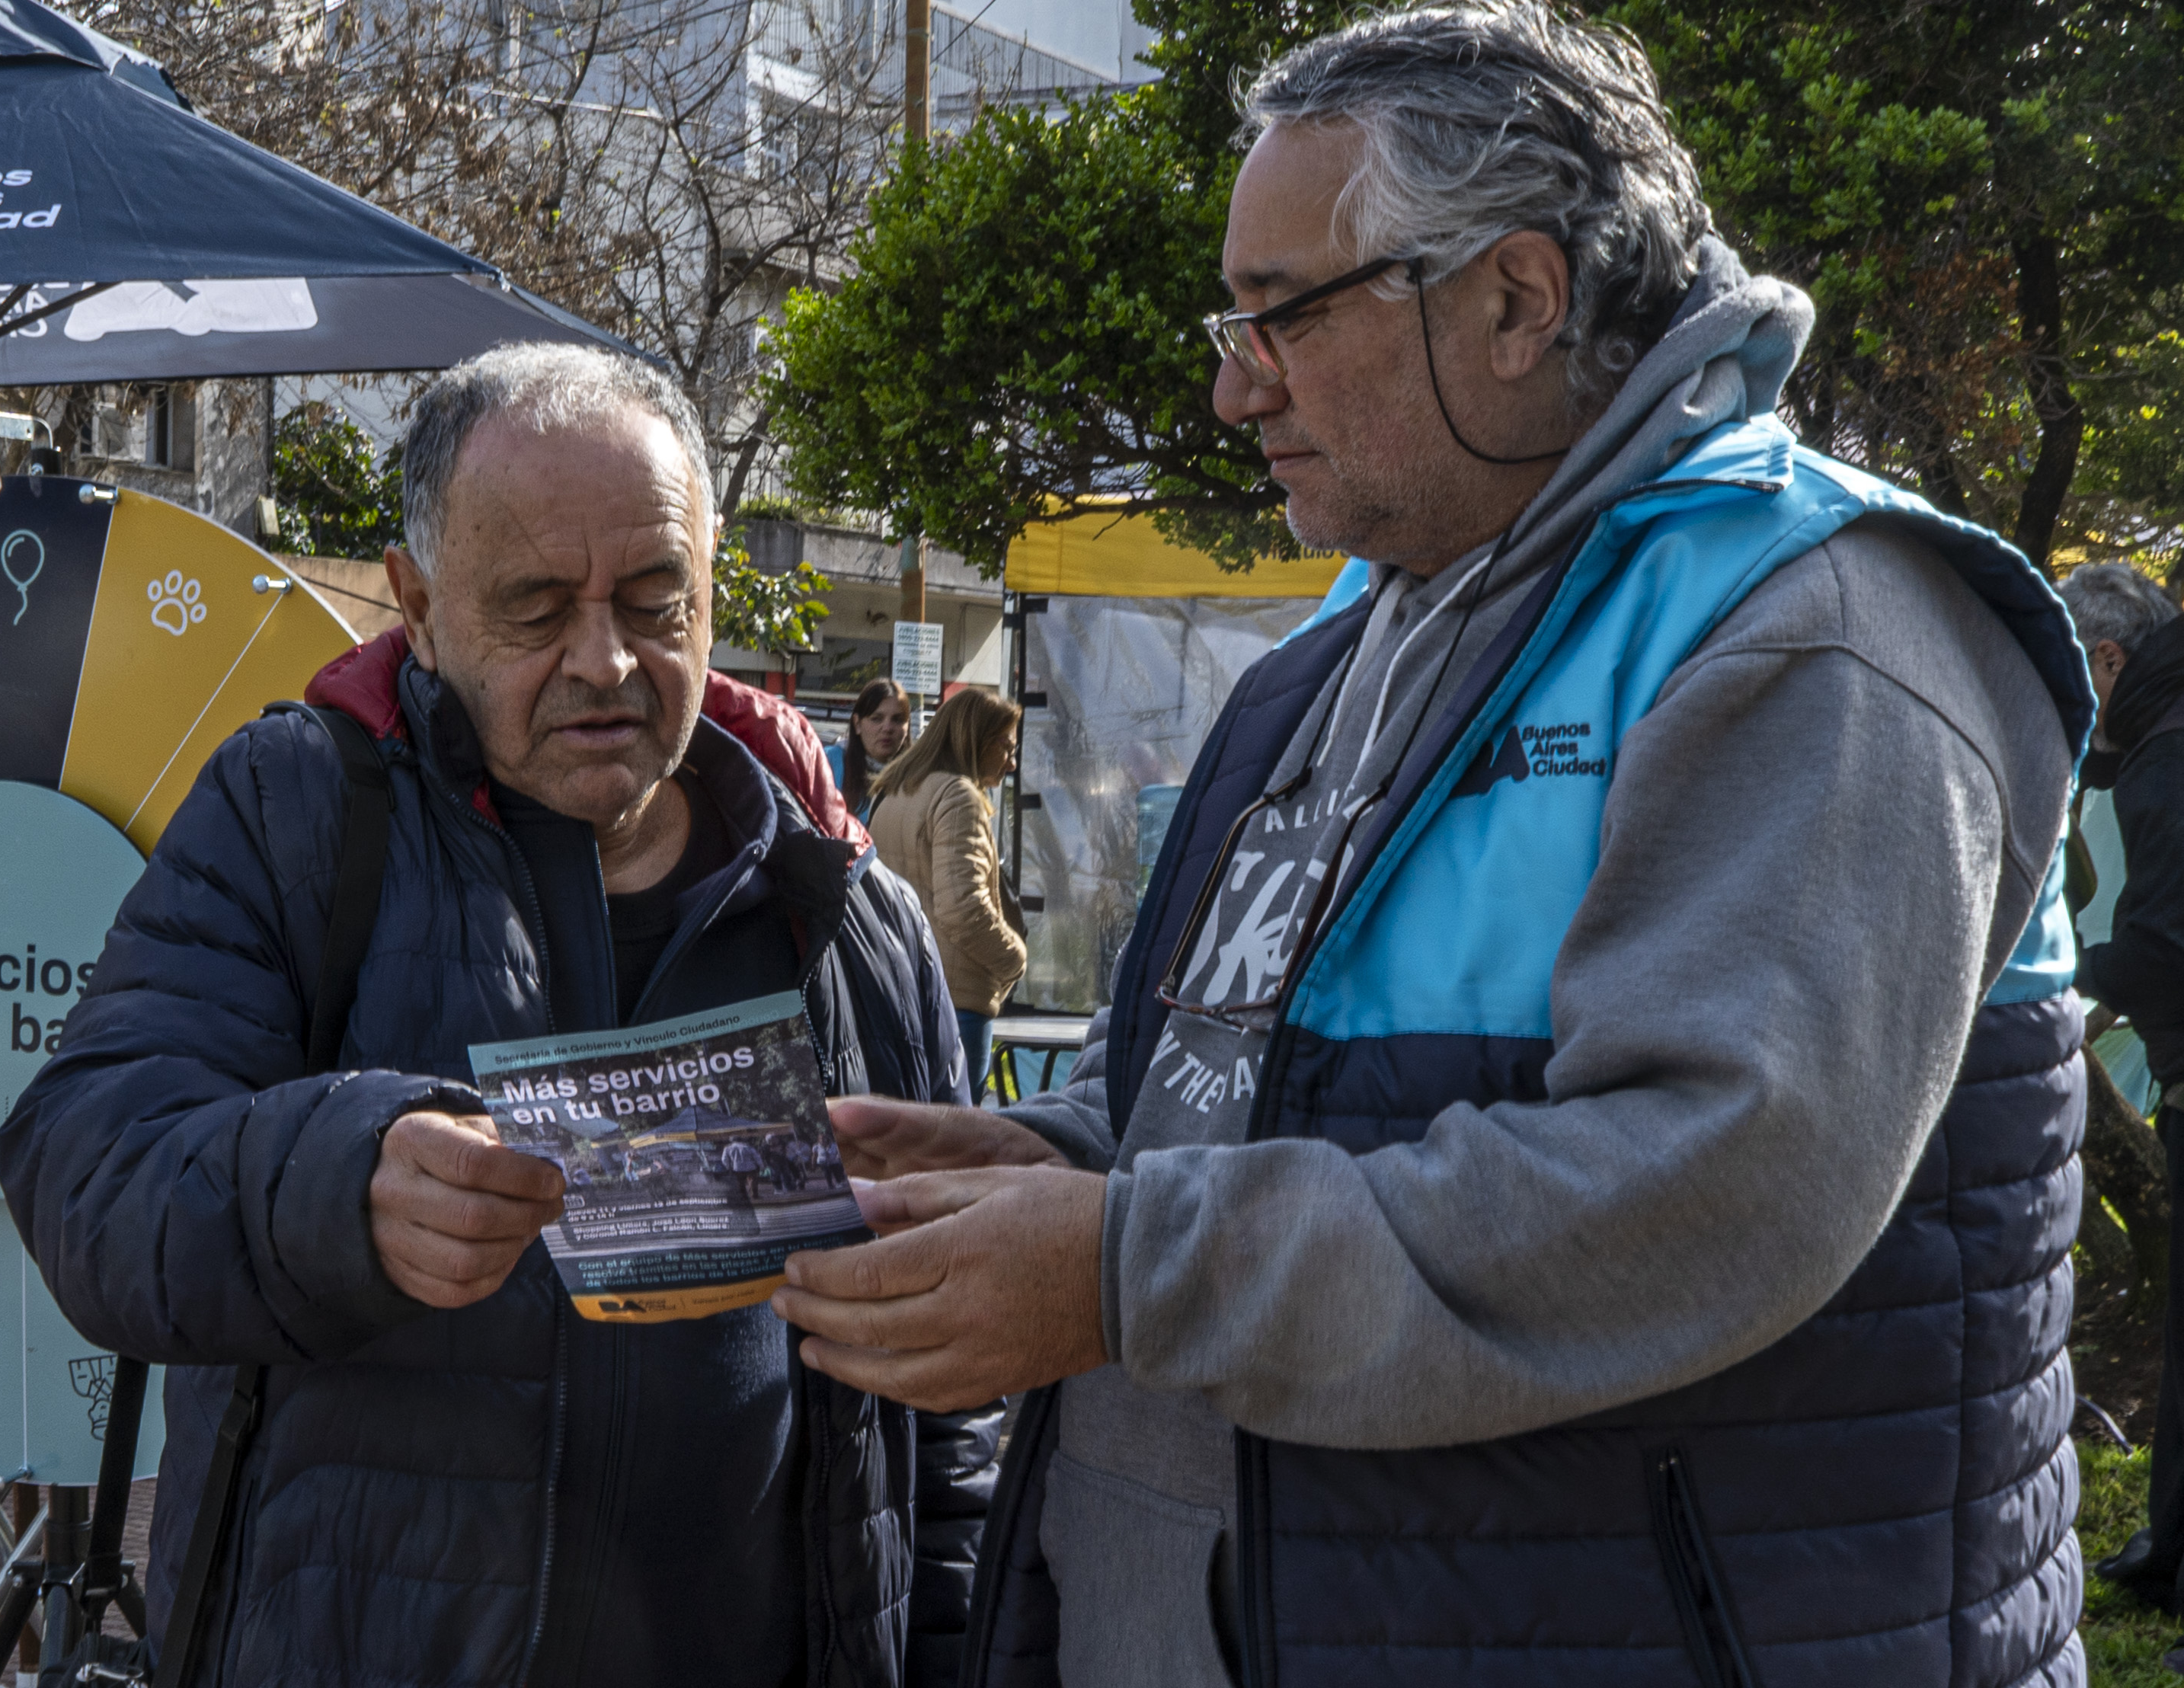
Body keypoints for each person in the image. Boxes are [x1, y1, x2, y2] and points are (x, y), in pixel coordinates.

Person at [769, 5, 2092, 1685]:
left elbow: (1704, 1188)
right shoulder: (1350, 638)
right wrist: (1075, 1167)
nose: (1231, 380)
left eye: (1283, 317)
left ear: (1518, 300)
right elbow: (1257, 1096)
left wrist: (1123, 1260)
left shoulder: (1813, 630)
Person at [0, 343, 990, 1688]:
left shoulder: (835, 897)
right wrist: (338, 1183)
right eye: (534, 607)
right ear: (414, 600)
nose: (607, 660)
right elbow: (84, 1166)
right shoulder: (295, 815)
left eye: (657, 602)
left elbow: (950, 1418)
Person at [2068, 563, 2184, 1603]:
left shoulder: (2169, 752)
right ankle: (2167, 1554)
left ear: (2108, 661)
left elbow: (2166, 946)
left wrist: (2068, 978)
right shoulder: (2156, 739)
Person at [868, 689, 1028, 1076]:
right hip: (956, 1002)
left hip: (900, 990)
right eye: (1006, 747)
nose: (1012, 762)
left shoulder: (897, 792)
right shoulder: (959, 796)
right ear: (976, 740)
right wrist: (1015, 959)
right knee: (956, 1128)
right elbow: (962, 908)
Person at [827, 676, 913, 814]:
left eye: (897, 720)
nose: (887, 728)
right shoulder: (829, 762)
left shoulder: (919, 774)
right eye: (877, 719)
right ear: (857, 724)